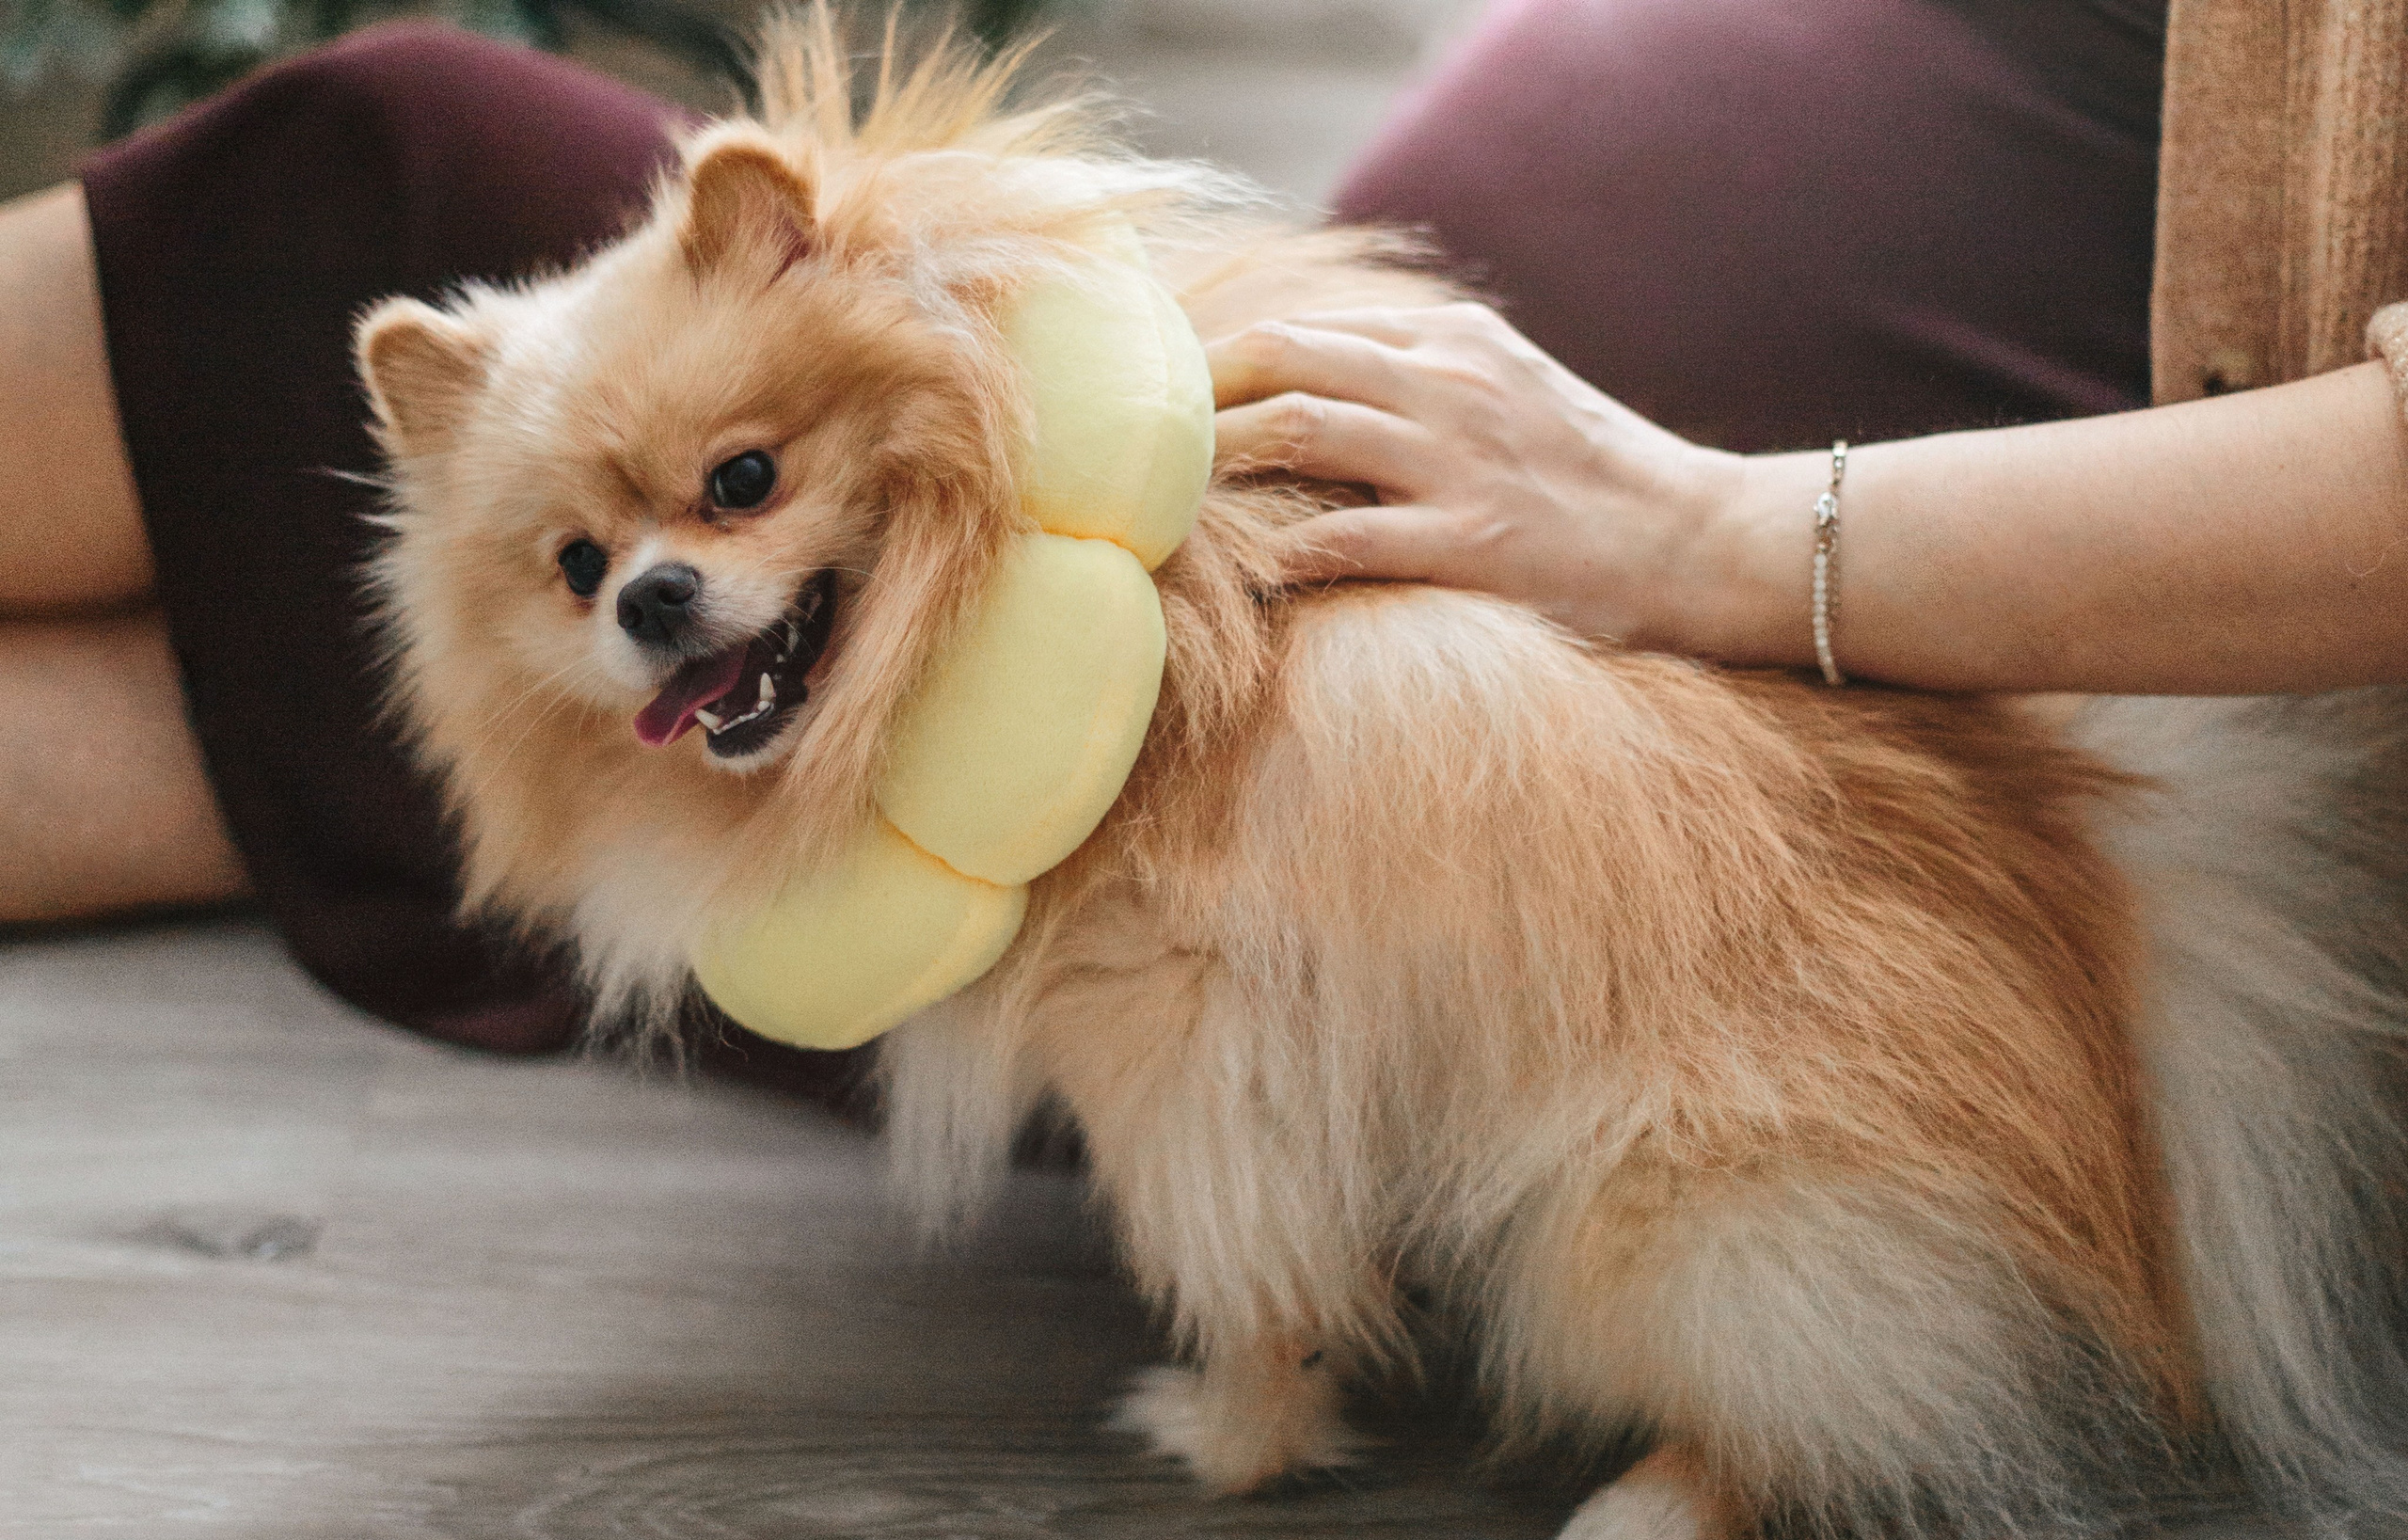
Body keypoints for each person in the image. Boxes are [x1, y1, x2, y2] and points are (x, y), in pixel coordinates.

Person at [0, 1, 2398, 1059]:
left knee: (363, 178)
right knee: (357, 678)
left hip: (1484, 776)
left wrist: (1712, 533)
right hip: (1248, 533)